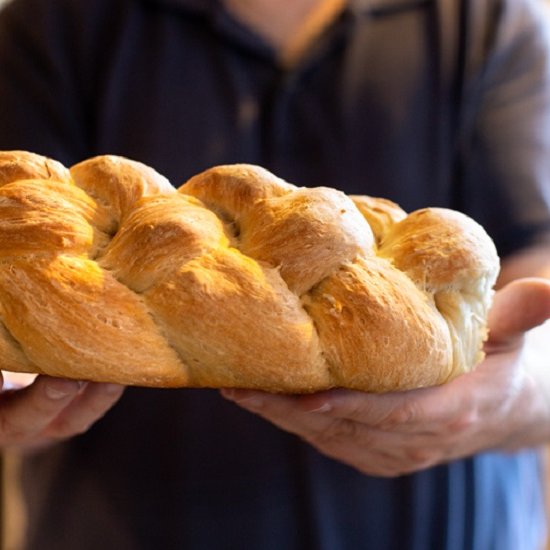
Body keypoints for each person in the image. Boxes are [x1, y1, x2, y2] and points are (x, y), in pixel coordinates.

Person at [0, 0, 550, 548]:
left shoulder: (490, 20)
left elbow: (533, 302)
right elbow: (29, 263)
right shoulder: (55, 20)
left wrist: (516, 396)